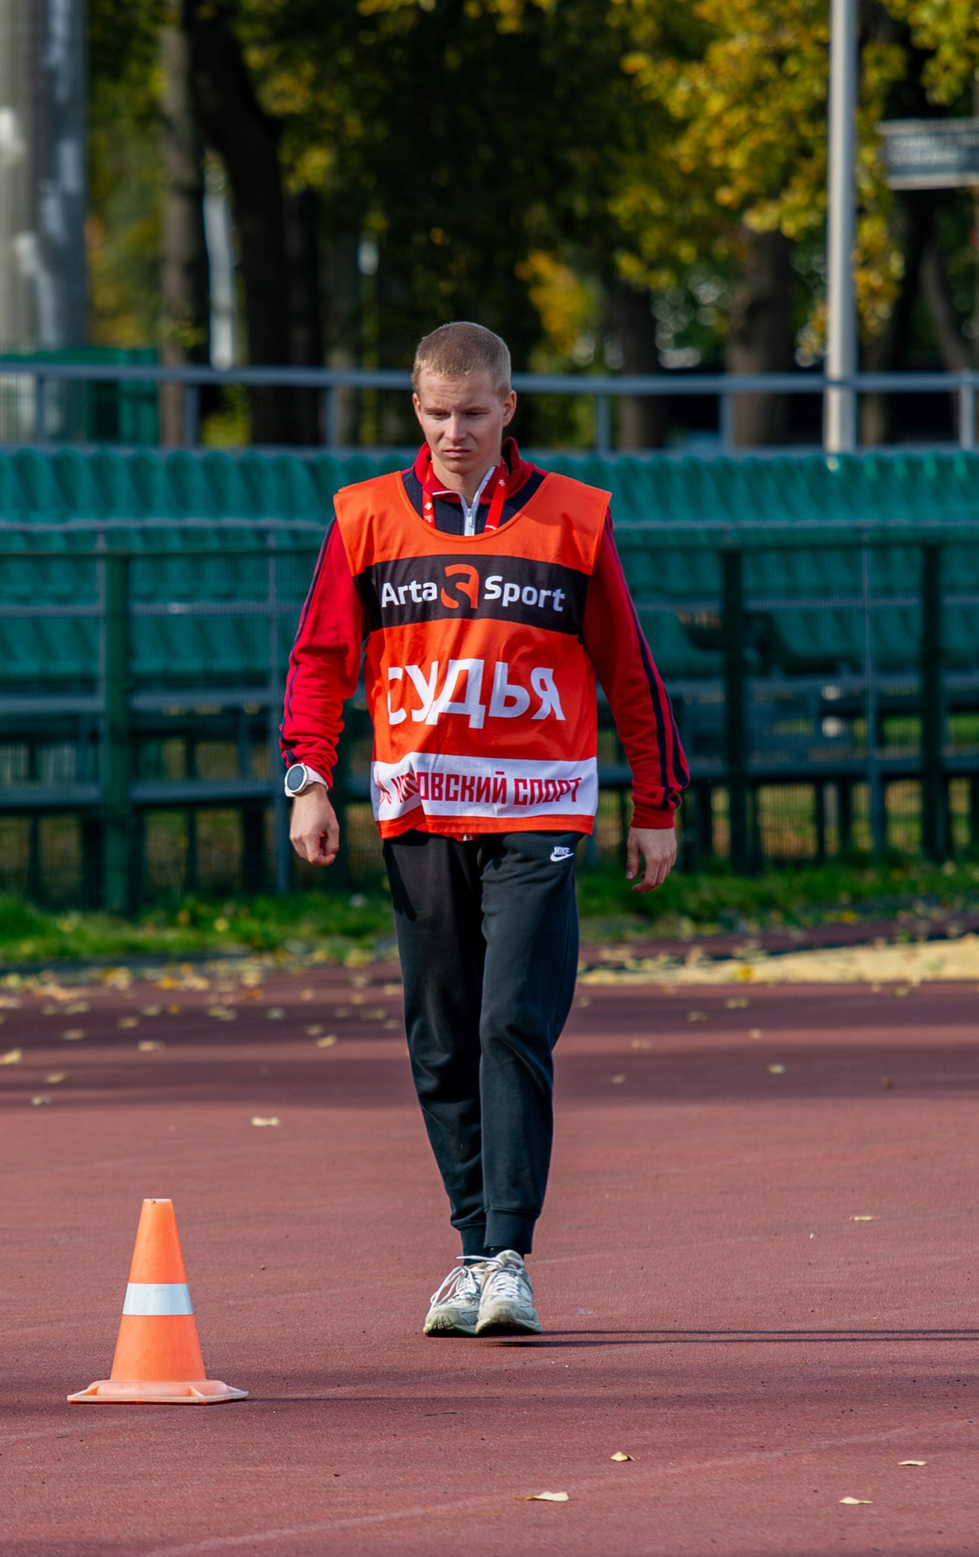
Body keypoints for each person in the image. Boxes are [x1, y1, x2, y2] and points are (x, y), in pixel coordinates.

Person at [279, 321, 688, 1337]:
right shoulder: (366, 516)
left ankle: (508, 1250)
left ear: (510, 408)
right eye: (435, 412)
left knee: (511, 1020)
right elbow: (321, 658)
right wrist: (309, 780)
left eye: (472, 412)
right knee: (437, 1038)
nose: (454, 431)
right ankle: (470, 1249)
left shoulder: (572, 519)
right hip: (417, 812)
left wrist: (654, 802)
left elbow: (629, 670)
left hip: (539, 815)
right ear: (414, 409)